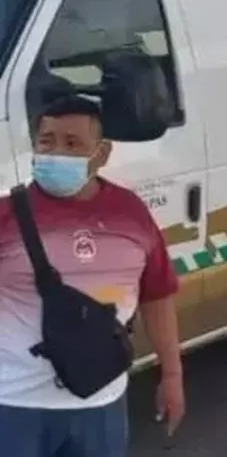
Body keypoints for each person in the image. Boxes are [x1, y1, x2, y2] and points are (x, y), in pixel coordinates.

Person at [0, 95, 185, 454]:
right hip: (13, 403)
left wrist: (172, 374)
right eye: (47, 141)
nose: (55, 153)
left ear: (100, 154)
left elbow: (157, 297)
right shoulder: (6, 215)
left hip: (101, 404)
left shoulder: (130, 214)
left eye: (72, 144)